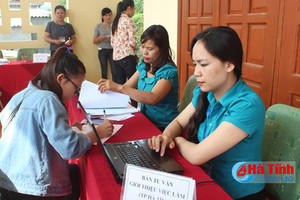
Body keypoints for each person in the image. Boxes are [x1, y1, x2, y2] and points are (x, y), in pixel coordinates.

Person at [148, 26, 266, 199]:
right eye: (195, 64)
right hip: (206, 180)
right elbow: (178, 122)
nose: (196, 72)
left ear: (229, 64)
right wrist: (166, 136)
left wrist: (177, 139)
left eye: (203, 64)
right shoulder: (206, 92)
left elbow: (196, 156)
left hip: (236, 194)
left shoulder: (248, 105)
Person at [0, 46, 114, 199]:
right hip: (33, 188)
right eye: (76, 88)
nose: (76, 93)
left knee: (72, 171)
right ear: (61, 79)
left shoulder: (21, 95)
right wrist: (96, 134)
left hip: (7, 181)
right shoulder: (49, 100)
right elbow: (70, 149)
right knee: (74, 176)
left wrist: (67, 129)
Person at [98, 25, 179, 131]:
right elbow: (127, 86)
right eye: (142, 46)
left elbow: (152, 98)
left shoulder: (168, 72)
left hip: (164, 127)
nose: (144, 52)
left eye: (150, 49)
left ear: (162, 50)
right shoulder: (144, 65)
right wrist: (108, 89)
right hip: (146, 121)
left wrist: (119, 87)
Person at [111, 0, 138, 84]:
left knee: (120, 86)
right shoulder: (128, 21)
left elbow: (112, 43)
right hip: (127, 57)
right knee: (132, 85)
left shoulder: (114, 23)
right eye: (134, 9)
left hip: (116, 58)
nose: (134, 12)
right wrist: (137, 48)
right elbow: (132, 42)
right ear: (129, 8)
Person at [93, 7, 117, 82]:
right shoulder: (98, 26)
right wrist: (100, 38)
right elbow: (94, 41)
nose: (108, 17)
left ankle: (115, 88)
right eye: (106, 15)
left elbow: (119, 38)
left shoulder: (114, 26)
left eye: (109, 15)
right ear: (102, 16)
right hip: (102, 50)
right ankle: (104, 88)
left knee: (115, 71)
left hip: (113, 50)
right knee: (104, 72)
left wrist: (113, 38)